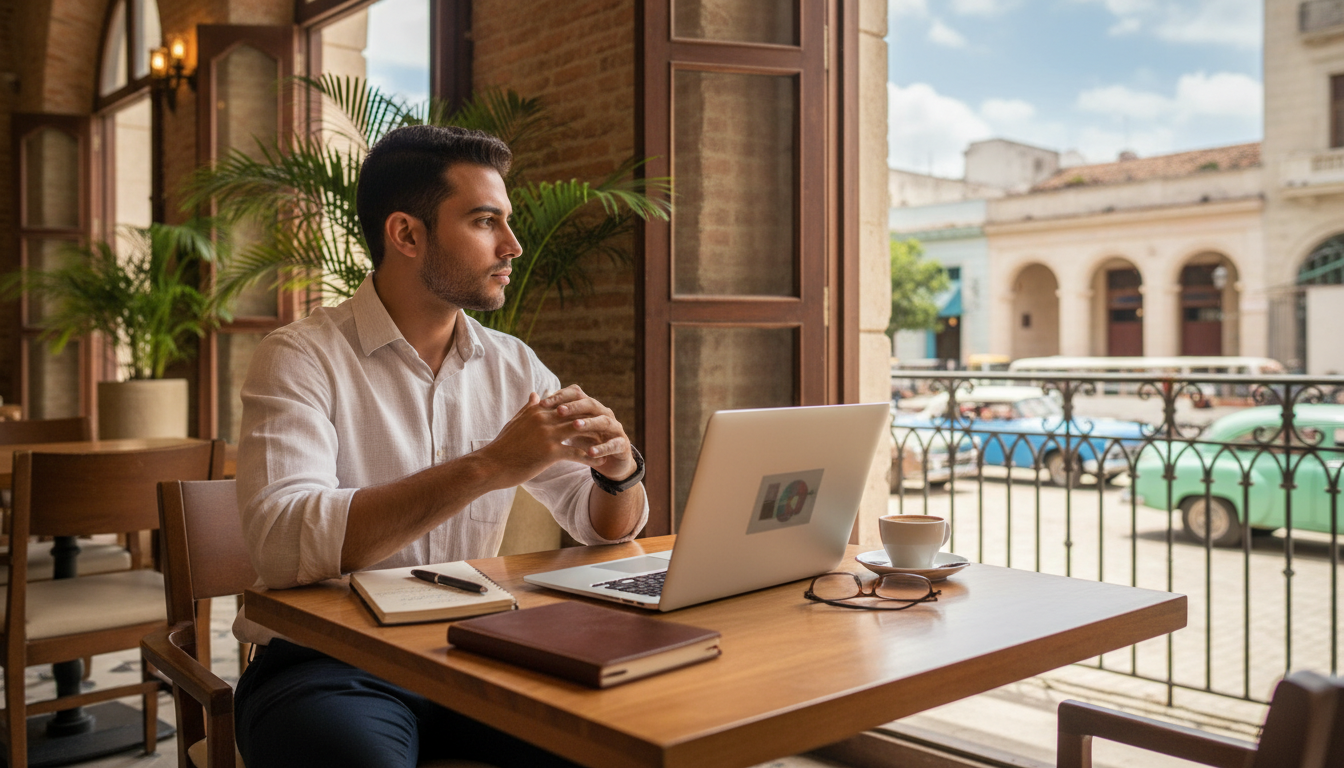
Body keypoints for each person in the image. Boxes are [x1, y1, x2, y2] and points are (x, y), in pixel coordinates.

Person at [230, 124, 649, 768]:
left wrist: (617, 474)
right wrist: (488, 467)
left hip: (475, 653)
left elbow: (601, 529)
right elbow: (284, 544)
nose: (513, 244)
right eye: (486, 221)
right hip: (327, 665)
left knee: (627, 745)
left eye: (506, 221)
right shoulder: (299, 357)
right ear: (406, 234)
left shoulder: (514, 365)